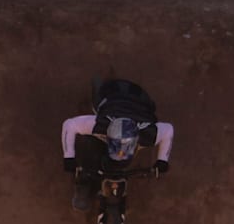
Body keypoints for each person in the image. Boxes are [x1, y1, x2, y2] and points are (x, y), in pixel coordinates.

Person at [62, 78, 174, 208]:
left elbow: (168, 130)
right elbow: (70, 125)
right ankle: (83, 184)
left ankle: (87, 180)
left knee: (98, 151)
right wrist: (162, 160)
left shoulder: (148, 134)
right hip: (113, 95)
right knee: (90, 144)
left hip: (139, 100)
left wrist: (163, 160)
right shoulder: (101, 125)